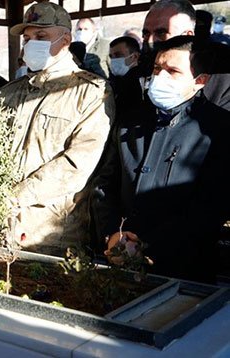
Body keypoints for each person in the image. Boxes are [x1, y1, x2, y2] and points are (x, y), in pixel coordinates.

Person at [91, 36, 230, 283]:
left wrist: (147, 245)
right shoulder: (130, 121)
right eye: (157, 68)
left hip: (182, 272)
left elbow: (210, 206)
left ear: (200, 81)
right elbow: (104, 184)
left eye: (172, 71)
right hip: (118, 260)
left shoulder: (217, 129)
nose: (159, 77)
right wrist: (113, 233)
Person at [0, 1, 113, 255]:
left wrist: (15, 196)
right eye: (27, 38)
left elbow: (77, 164)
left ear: (65, 40)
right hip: (2, 225)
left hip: (52, 235)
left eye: (41, 36)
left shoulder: (90, 92)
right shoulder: (10, 93)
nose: (30, 44)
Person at [141, 0, 230, 110]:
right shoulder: (138, 71)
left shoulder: (222, 75)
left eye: (161, 33)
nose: (150, 40)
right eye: (146, 33)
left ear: (188, 35)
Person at [108, 36, 151, 122]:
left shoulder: (142, 83)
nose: (114, 60)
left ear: (134, 56)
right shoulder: (115, 81)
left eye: (118, 55)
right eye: (111, 56)